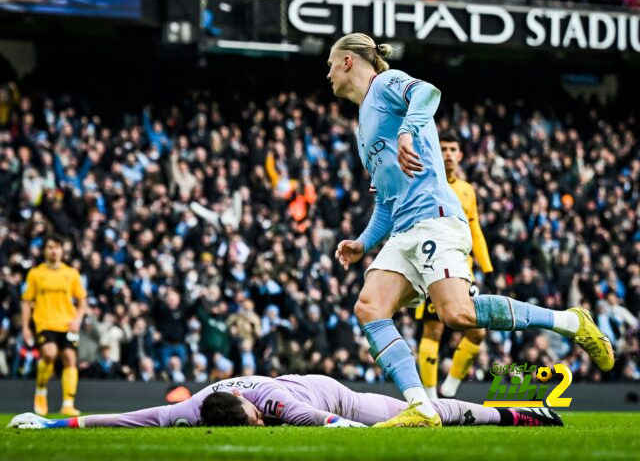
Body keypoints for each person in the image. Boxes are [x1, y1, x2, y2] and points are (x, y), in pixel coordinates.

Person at [328, 33, 613, 428]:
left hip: (435, 218)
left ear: (347, 62)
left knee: (458, 315)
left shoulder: (385, 85)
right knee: (369, 306)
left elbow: (428, 92)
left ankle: (570, 321)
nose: (327, 74)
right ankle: (422, 408)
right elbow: (385, 202)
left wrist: (408, 131)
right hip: (403, 229)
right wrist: (363, 242)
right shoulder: (362, 129)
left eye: (329, 64)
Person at [7, 373, 563, 429]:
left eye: (253, 423)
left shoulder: (277, 406)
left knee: (427, 414)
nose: (258, 425)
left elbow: (337, 429)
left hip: (336, 398)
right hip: (313, 394)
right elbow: (128, 419)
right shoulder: (189, 409)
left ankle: (521, 412)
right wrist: (57, 427)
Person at [415, 130, 494, 399]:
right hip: (432, 267)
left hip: (463, 271)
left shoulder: (467, 191)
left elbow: (475, 230)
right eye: (444, 148)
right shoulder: (426, 185)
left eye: (452, 149)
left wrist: (487, 267)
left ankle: (450, 386)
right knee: (433, 330)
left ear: (460, 155)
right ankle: (429, 395)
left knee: (477, 332)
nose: (448, 154)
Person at [21, 234, 87, 417]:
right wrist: (26, 327)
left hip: (67, 323)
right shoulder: (35, 274)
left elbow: (82, 301)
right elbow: (26, 302)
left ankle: (68, 403)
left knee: (69, 357)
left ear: (62, 250)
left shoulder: (71, 273)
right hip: (45, 322)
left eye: (57, 247)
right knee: (49, 354)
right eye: (50, 247)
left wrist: (78, 320)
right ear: (44, 250)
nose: (54, 250)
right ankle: (41, 390)